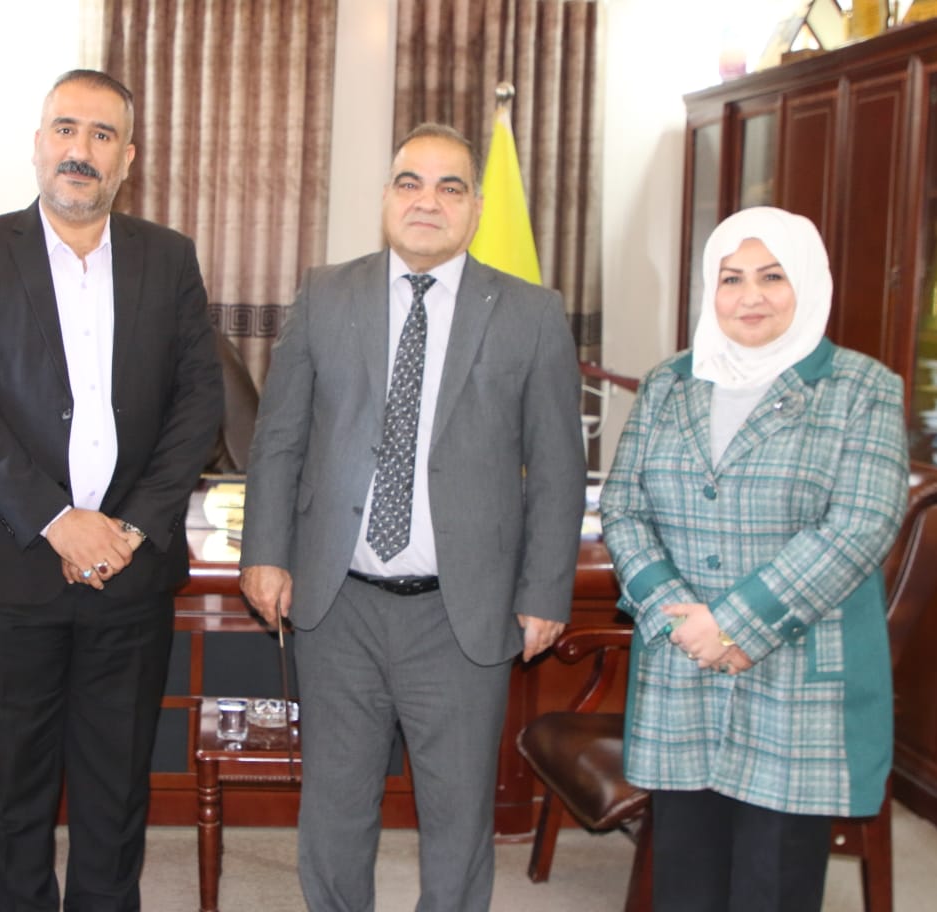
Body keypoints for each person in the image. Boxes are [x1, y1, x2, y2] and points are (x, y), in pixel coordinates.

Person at [240, 122, 585, 911]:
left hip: (462, 611)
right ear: (387, 197)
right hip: (338, 602)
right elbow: (279, 438)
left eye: (449, 186)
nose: (427, 201)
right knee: (335, 811)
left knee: (458, 819)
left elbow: (558, 468)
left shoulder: (531, 313)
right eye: (409, 182)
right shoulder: (326, 294)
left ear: (476, 206)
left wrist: (545, 591)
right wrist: (265, 551)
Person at [0, 69, 223, 911]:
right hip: (10, 571)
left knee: (115, 789)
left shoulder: (169, 257)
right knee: (11, 790)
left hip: (131, 571)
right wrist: (57, 520)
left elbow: (200, 402)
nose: (79, 151)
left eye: (101, 135)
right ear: (37, 144)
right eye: (65, 129)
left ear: (128, 157)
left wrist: (131, 526)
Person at [600, 206, 909, 912]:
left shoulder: (862, 388)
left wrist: (734, 625)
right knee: (685, 882)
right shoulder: (668, 382)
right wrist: (679, 617)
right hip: (683, 666)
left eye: (772, 277)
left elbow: (859, 526)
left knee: (774, 885)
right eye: (731, 278)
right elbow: (623, 508)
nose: (750, 296)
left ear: (808, 282)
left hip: (793, 679)